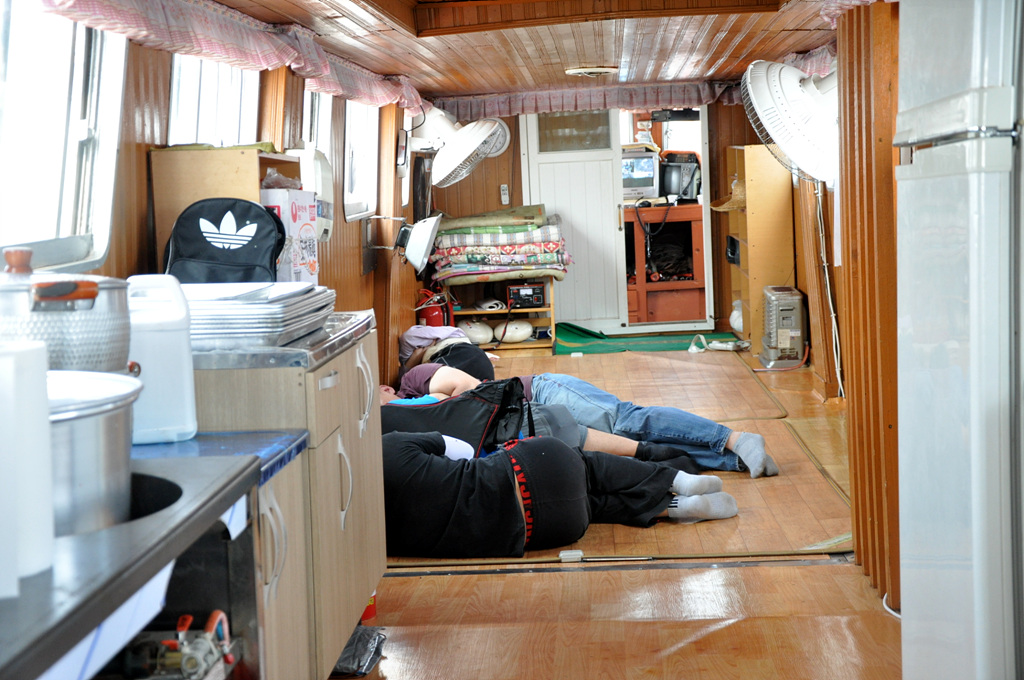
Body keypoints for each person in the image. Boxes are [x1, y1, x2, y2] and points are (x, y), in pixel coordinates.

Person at [381, 430, 738, 558]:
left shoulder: (368, 539)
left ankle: (674, 507)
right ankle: (675, 479)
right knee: (590, 468)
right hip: (535, 469)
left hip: (547, 530)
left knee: (592, 506)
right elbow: (462, 449)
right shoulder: (388, 447)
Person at [395, 364, 780, 478]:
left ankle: (735, 438)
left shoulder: (414, 381)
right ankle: (734, 460)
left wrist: (432, 404)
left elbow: (473, 391)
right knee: (633, 448)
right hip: (532, 422)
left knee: (626, 420)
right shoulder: (405, 418)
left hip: (540, 395)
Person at [379, 384, 702, 471]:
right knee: (631, 444)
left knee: (609, 459)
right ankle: (681, 462)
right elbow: (455, 396)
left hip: (514, 449)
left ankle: (676, 470)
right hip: (521, 425)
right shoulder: (411, 403)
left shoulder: (391, 432)